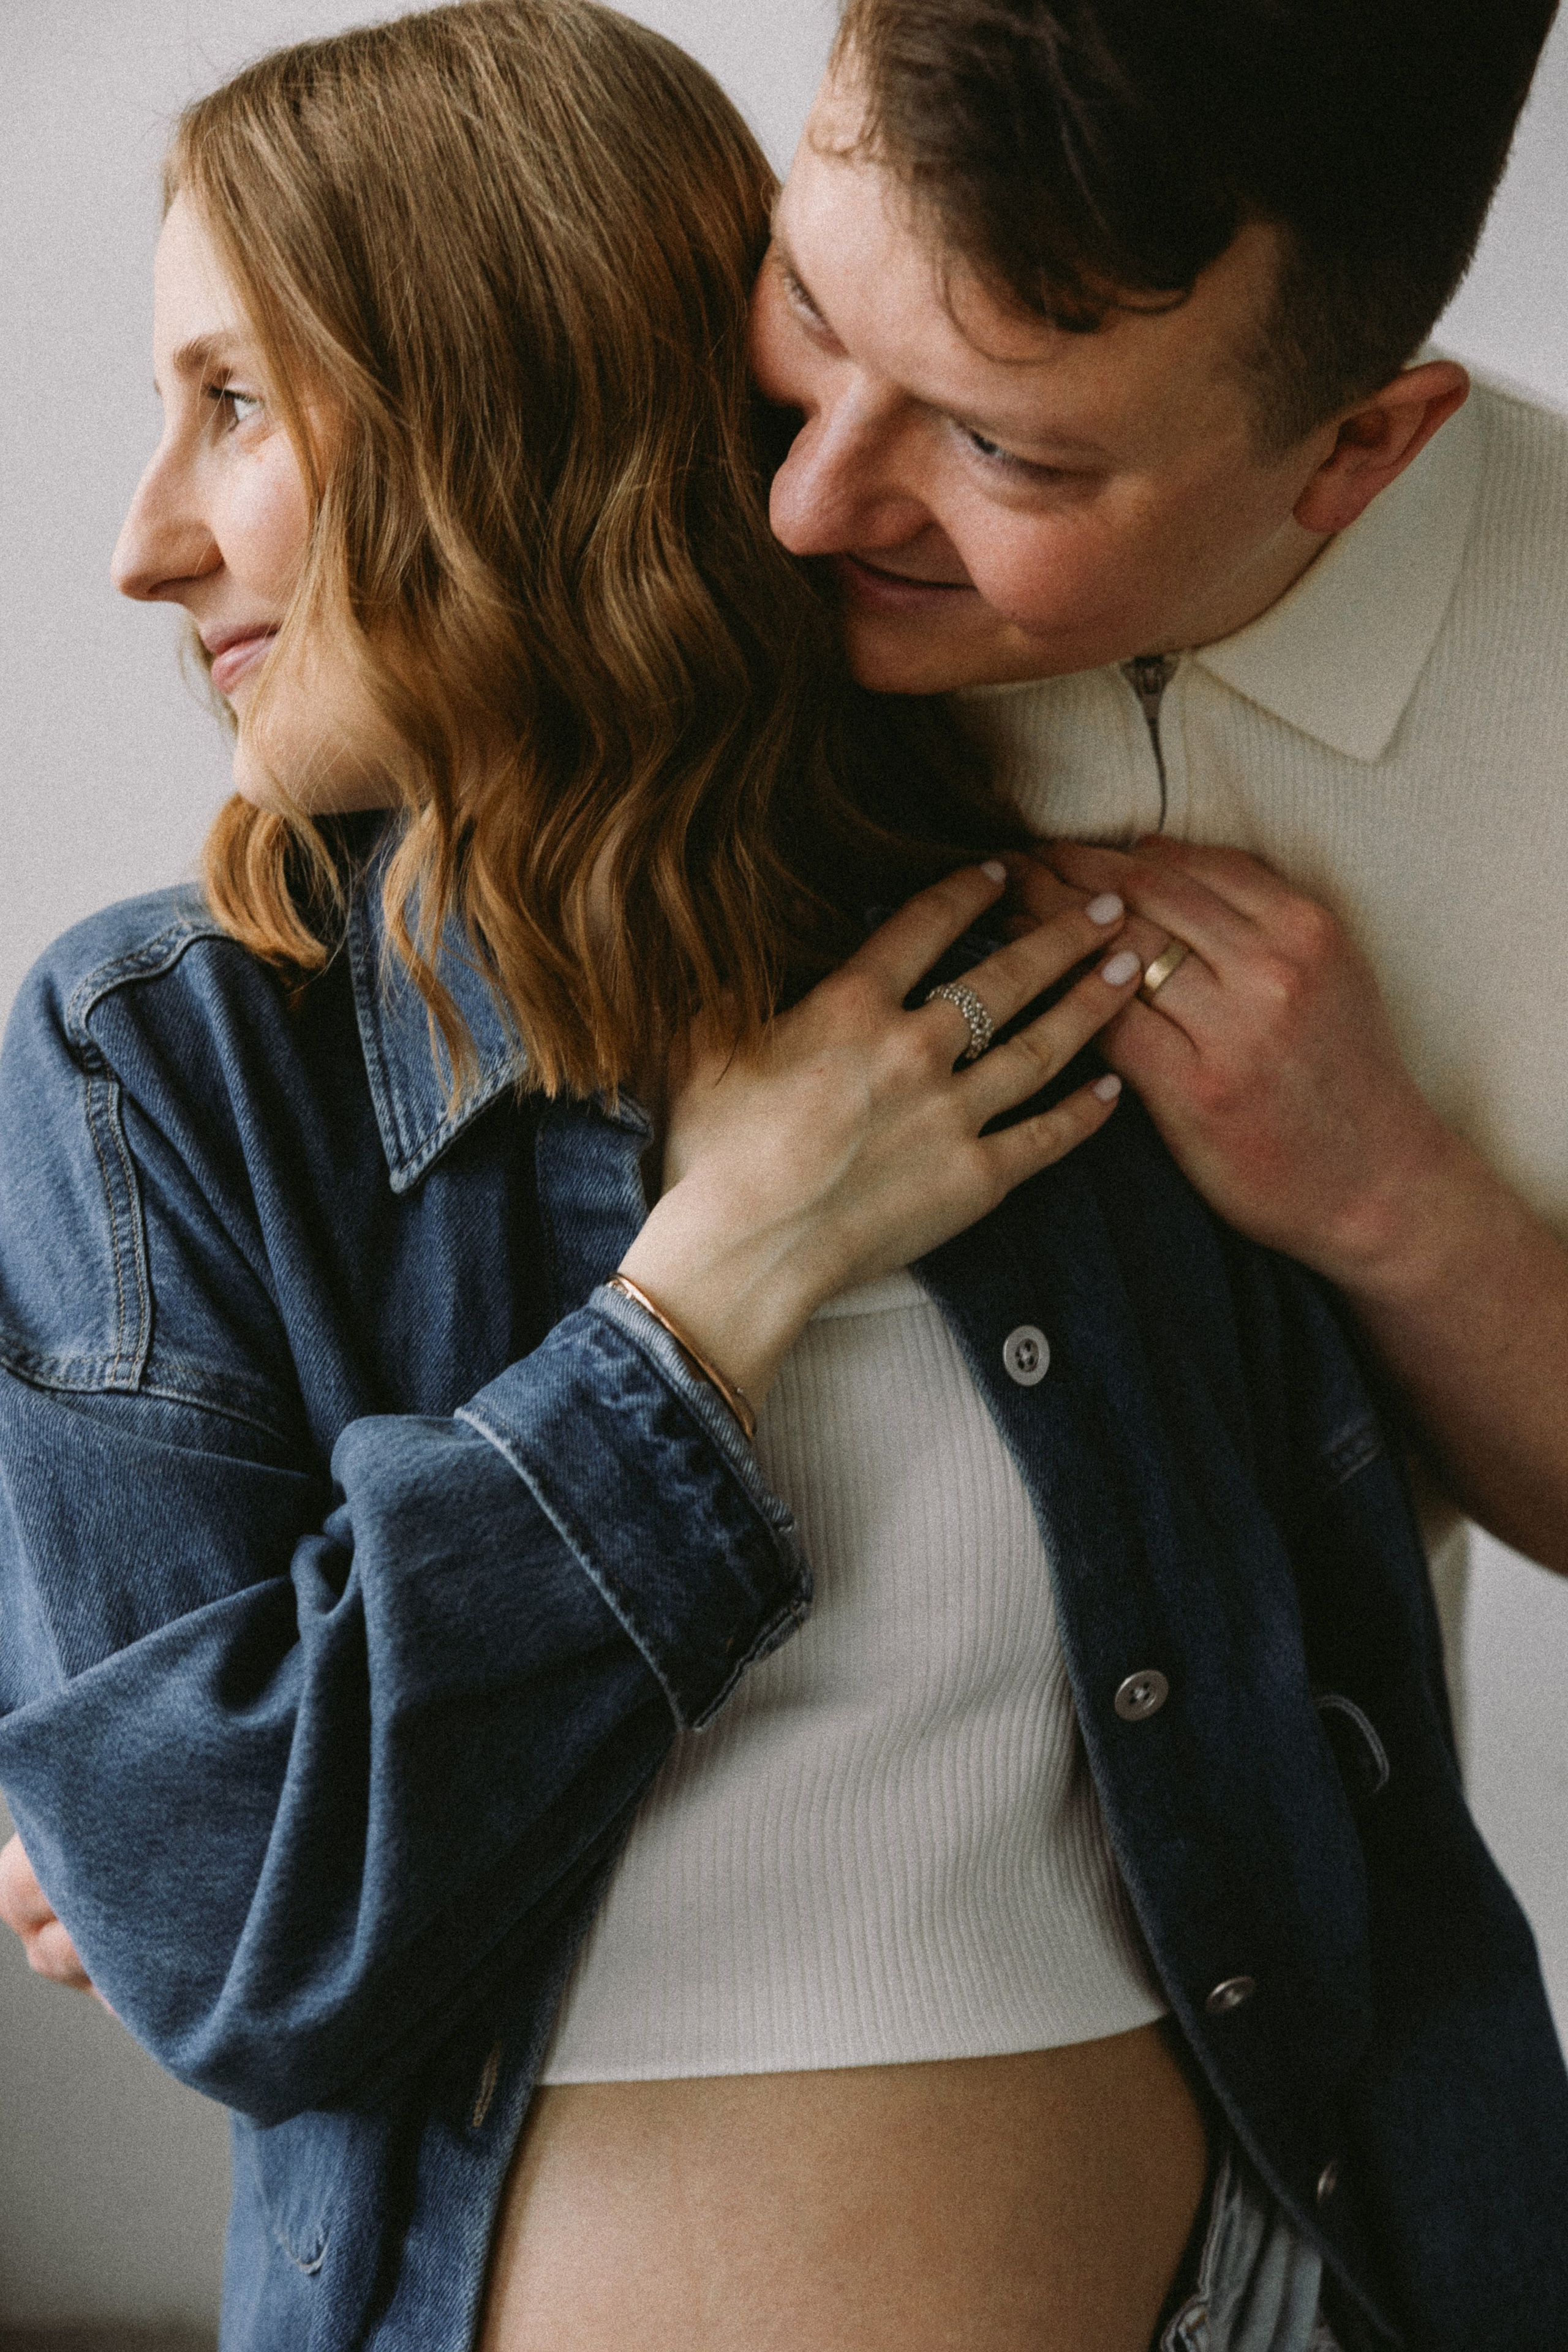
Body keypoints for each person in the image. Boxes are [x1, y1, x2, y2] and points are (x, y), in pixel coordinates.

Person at [0, 7, 1564, 2352]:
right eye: (811, 323)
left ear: (516, 395)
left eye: (235, 402)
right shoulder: (162, 1064)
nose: (142, 545)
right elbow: (222, 1924)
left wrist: (1391, 1204)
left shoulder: (1091, 946)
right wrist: (706, 1294)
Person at [750, 0, 1568, 1728]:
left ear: (1360, 447)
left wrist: (1395, 1204)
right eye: (810, 302)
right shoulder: (605, 464)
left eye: (1004, 450)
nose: (804, 506)